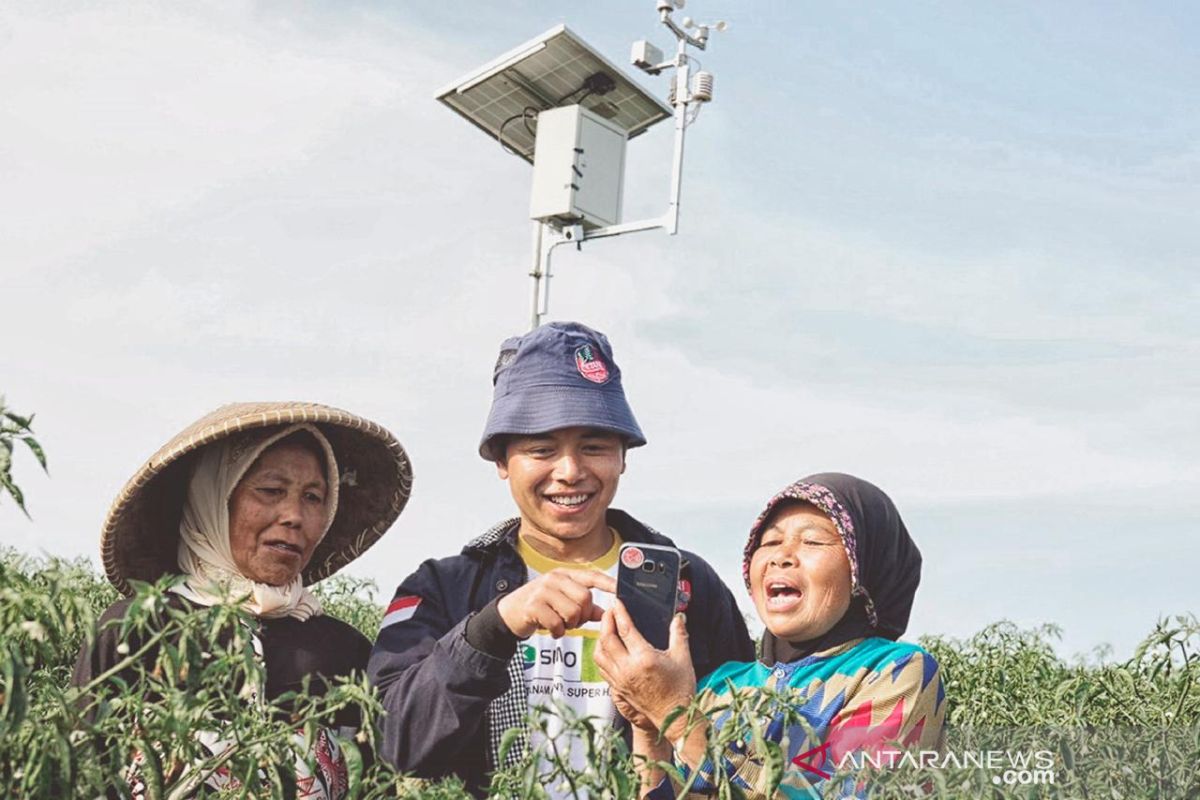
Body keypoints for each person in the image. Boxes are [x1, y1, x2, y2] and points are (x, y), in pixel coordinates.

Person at [369, 321, 755, 797]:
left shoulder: (688, 584)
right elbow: (392, 743)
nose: (570, 472)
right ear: (501, 461)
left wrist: (670, 707)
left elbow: (750, 748)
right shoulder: (442, 588)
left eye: (594, 447)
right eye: (541, 449)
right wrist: (493, 627)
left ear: (623, 458)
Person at [72, 401, 413, 800]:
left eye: (313, 497)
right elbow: (79, 774)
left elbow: (373, 786)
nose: (293, 515)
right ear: (214, 498)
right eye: (270, 491)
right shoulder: (136, 631)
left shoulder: (346, 651)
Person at [594, 473, 946, 799]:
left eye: (812, 541)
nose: (781, 556)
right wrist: (649, 725)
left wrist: (680, 719)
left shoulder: (893, 672)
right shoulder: (721, 685)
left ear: (863, 566)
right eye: (769, 541)